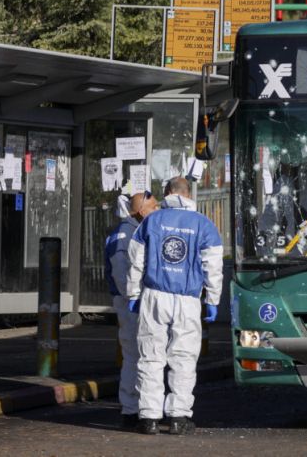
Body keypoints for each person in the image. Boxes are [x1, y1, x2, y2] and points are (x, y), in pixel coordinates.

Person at [126, 177, 223, 435]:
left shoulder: (151, 222)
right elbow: (213, 267)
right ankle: (179, 416)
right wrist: (212, 300)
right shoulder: (204, 225)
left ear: (167, 193)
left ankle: (149, 417)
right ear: (188, 193)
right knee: (183, 357)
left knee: (151, 356)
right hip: (188, 299)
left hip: (155, 295)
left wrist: (133, 294)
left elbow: (136, 260)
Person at [103, 191, 158, 429]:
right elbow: (121, 274)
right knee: (135, 356)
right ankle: (131, 409)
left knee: (139, 356)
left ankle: (136, 407)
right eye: (154, 207)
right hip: (130, 303)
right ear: (141, 211)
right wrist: (135, 298)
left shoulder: (134, 231)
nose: (158, 211)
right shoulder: (124, 235)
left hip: (136, 300)